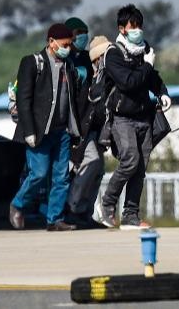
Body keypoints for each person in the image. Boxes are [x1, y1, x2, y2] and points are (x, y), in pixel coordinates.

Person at [96, 5, 171, 230]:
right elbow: (128, 82)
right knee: (130, 161)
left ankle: (130, 215)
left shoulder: (144, 50)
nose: (137, 30)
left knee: (140, 169)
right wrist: (147, 66)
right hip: (122, 118)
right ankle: (107, 204)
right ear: (122, 28)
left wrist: (162, 92)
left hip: (143, 116)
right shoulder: (113, 53)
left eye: (140, 25)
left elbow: (152, 78)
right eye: (133, 26)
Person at [9, 24, 80, 232]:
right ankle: (17, 204)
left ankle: (55, 219)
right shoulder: (32, 63)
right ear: (51, 42)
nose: (68, 48)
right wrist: (28, 131)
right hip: (40, 132)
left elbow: (72, 100)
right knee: (39, 173)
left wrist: (75, 130)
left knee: (61, 177)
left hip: (62, 131)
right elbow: (24, 99)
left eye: (70, 45)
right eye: (65, 44)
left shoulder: (69, 65)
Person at [68, 35, 112, 227]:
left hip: (96, 131)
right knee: (91, 163)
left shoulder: (108, 75)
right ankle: (73, 207)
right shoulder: (86, 76)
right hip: (82, 132)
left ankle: (86, 212)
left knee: (98, 170)